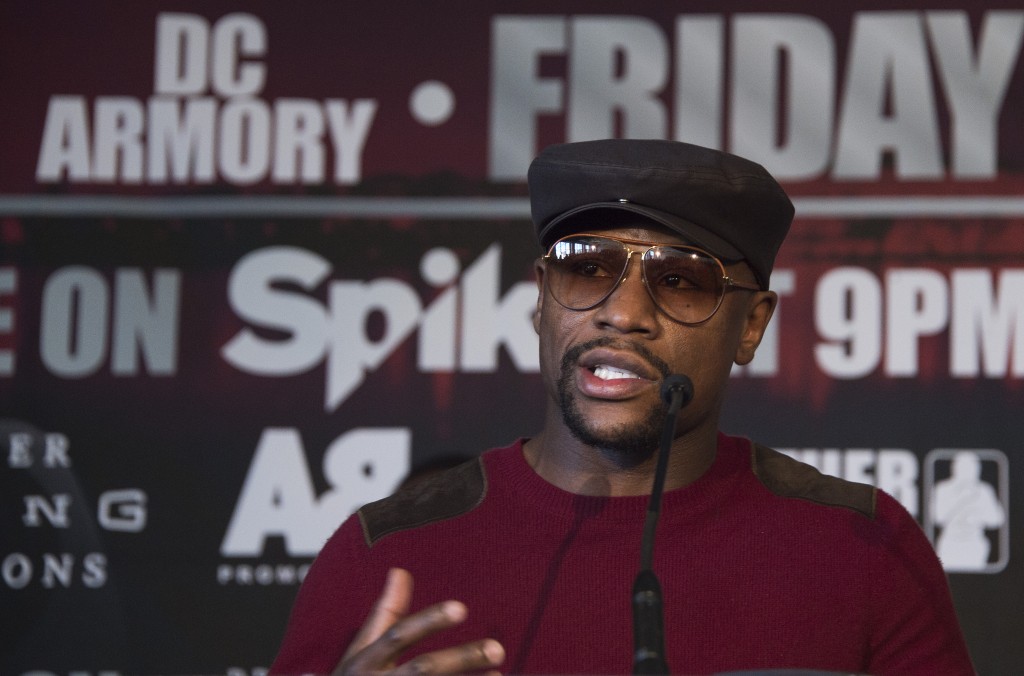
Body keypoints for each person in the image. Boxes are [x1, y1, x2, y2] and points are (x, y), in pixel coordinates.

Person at [270, 139, 974, 675]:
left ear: (751, 325)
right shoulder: (387, 552)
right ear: (542, 298)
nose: (624, 313)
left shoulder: (861, 549)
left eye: (680, 280)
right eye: (587, 267)